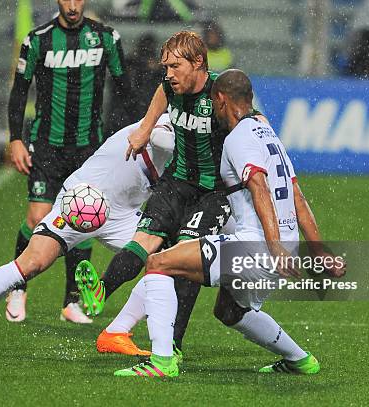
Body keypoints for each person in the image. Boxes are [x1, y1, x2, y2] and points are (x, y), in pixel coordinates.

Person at [112, 69, 346, 378]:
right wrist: (317, 251)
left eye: (214, 103)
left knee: (158, 263)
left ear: (221, 100)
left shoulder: (238, 138)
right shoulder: (269, 135)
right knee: (230, 310)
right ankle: (300, 360)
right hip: (281, 247)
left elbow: (259, 187)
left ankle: (162, 361)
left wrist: (273, 247)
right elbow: (297, 198)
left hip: (258, 247)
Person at [0, 117, 175, 351]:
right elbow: (162, 138)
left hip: (123, 215)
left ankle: (116, 332)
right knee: (32, 262)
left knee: (167, 263)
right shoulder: (170, 122)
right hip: (83, 201)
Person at [74, 31, 235, 359]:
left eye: (175, 66)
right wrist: (145, 129)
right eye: (166, 66)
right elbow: (161, 95)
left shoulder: (221, 93)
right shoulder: (169, 88)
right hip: (175, 182)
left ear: (198, 62)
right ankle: (101, 290)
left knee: (185, 259)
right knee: (143, 240)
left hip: (211, 194)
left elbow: (246, 128)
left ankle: (173, 344)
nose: (168, 74)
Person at [5, 0, 130, 324]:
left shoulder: (106, 38)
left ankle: (71, 301)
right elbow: (20, 91)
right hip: (46, 145)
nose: (73, 5)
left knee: (86, 218)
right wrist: (15, 138)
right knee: (37, 218)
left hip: (89, 147)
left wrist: (126, 135)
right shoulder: (39, 40)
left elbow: (124, 90)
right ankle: (18, 286)